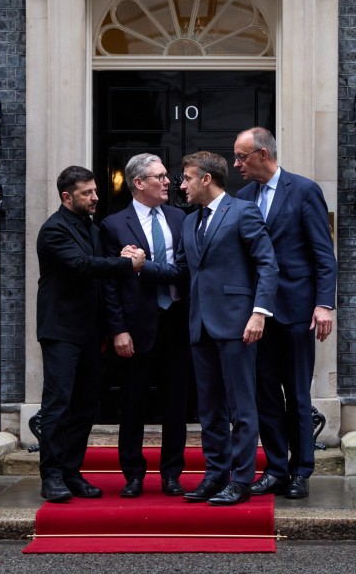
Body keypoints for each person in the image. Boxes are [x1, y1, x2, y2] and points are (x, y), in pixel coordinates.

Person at [142, 151, 278, 506]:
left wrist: (259, 312)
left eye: (186, 178)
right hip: (199, 324)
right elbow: (183, 271)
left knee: (241, 409)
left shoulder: (243, 211)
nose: (180, 185)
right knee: (210, 410)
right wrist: (144, 267)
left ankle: (242, 480)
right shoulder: (189, 222)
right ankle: (216, 475)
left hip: (238, 324)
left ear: (206, 179)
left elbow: (267, 264)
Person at [233, 127, 337, 500]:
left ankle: (301, 471)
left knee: (297, 393)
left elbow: (323, 253)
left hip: (295, 310)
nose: (237, 163)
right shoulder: (242, 198)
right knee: (264, 395)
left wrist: (324, 304)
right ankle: (276, 468)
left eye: (242, 156)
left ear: (263, 154)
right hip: (256, 314)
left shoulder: (304, 190)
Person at [36, 165, 146, 503]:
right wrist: (128, 263)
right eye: (88, 193)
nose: (96, 197)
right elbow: (83, 266)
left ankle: (71, 472)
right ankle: (52, 476)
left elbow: (102, 266)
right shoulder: (54, 230)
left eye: (95, 191)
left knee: (85, 406)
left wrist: (123, 256)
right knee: (58, 405)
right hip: (61, 331)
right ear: (67, 196)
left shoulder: (93, 229)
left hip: (89, 332)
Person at [100, 154, 191, 498]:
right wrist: (117, 329)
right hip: (136, 327)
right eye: (160, 177)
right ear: (138, 183)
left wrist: (143, 266)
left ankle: (171, 474)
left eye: (167, 176)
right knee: (133, 402)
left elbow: (184, 270)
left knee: (176, 404)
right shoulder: (113, 225)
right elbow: (109, 285)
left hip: (177, 322)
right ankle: (133, 474)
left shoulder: (180, 218)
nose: (168, 182)